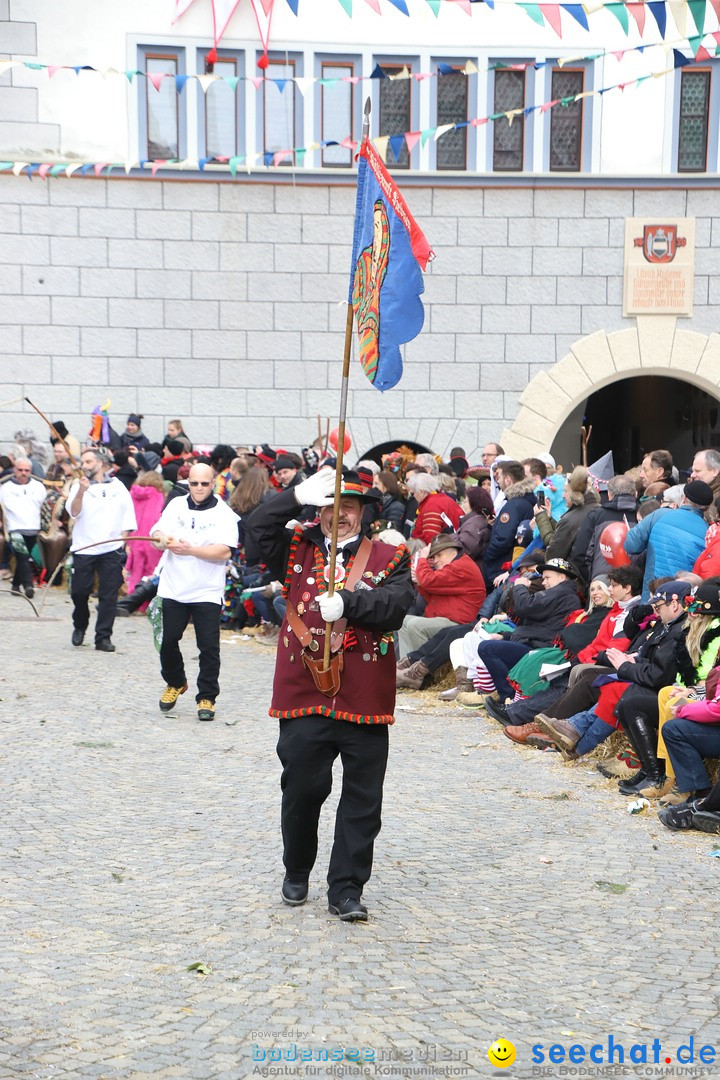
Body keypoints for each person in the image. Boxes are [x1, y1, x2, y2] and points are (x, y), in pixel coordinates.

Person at [247, 468, 414, 922]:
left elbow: (399, 606)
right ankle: (297, 868)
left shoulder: (390, 554)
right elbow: (255, 527)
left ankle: (346, 888)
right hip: (304, 691)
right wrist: (296, 493)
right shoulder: (296, 546)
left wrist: (352, 605)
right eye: (328, 507)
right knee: (302, 788)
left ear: (364, 515)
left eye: (348, 508)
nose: (337, 516)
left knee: (363, 799)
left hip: (364, 694)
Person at [149, 463, 238, 721]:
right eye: (194, 483)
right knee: (167, 641)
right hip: (173, 587)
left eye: (204, 483)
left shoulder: (224, 513)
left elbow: (224, 551)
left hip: (206, 590)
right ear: (187, 483)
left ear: (213, 484)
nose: (199, 488)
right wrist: (160, 538)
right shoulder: (176, 505)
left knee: (208, 647)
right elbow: (157, 531)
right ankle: (175, 681)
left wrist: (192, 550)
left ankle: (207, 696)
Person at [479, 557, 582, 724]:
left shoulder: (562, 593)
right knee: (489, 647)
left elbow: (526, 607)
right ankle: (509, 699)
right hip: (534, 643)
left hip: (541, 649)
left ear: (562, 577)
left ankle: (509, 699)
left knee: (487, 649)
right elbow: (536, 626)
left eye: (548, 578)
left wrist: (520, 586)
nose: (544, 583)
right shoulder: (560, 594)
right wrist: (506, 636)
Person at [68, 447, 138, 651]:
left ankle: (103, 637)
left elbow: (128, 517)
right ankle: (80, 624)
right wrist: (81, 490)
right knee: (79, 592)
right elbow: (74, 511)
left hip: (111, 549)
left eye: (89, 462)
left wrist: (122, 544)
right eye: (83, 462)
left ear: (100, 464)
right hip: (84, 547)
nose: (84, 466)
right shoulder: (78, 486)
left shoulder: (118, 487)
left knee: (109, 595)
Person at [396, 533, 486, 674]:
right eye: (433, 556)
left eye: (439, 555)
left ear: (452, 551)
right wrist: (420, 583)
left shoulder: (461, 566)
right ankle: (403, 671)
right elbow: (432, 595)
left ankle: (419, 675)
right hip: (447, 620)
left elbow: (429, 581)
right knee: (402, 621)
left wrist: (422, 561)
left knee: (415, 626)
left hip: (458, 624)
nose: (436, 560)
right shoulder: (455, 565)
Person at [624, 480, 712, 600]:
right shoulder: (708, 532)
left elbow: (631, 545)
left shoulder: (659, 515)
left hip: (652, 595)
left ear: (684, 498)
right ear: (706, 508)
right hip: (682, 600)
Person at [482, 461, 537, 586]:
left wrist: (487, 556)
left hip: (501, 567)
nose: (497, 482)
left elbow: (503, 538)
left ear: (508, 480)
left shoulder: (514, 504)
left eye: (499, 477)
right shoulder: (525, 500)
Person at [0, 456, 46, 598]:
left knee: (24, 557)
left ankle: (15, 585)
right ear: (15, 470)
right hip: (14, 527)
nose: (23, 473)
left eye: (26, 470)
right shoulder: (6, 488)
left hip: (32, 527)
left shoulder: (38, 487)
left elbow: (43, 507)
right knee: (22, 555)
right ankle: (28, 586)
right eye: (20, 470)